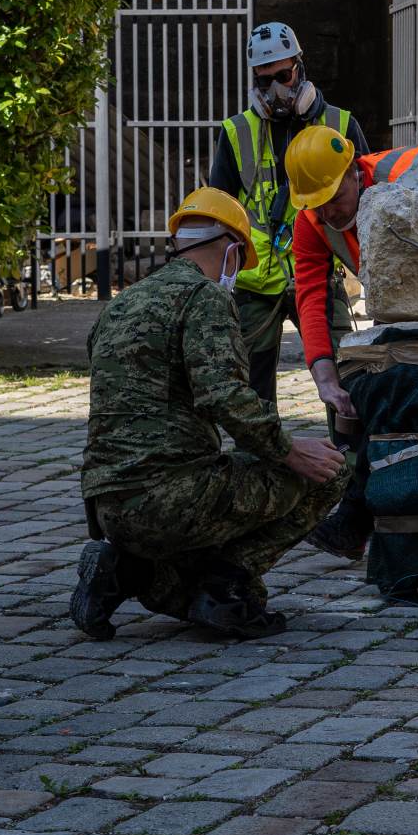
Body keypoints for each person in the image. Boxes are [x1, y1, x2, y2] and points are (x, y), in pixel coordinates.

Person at [69, 187, 350, 641]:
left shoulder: (121, 304)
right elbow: (224, 396)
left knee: (182, 596)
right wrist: (290, 451)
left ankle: (122, 569)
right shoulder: (205, 298)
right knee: (333, 472)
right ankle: (226, 586)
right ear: (232, 249)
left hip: (108, 507)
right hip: (169, 499)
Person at [280, 125, 418, 560]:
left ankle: (358, 515)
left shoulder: (404, 178)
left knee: (393, 395)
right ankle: (359, 514)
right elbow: (312, 293)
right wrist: (324, 373)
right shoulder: (311, 220)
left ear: (352, 173)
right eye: (316, 206)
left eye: (333, 200)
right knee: (358, 392)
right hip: (397, 308)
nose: (326, 214)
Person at [207, 22, 368, 409]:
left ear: (300, 67)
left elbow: (366, 197)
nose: (276, 89)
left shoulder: (340, 125)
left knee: (349, 375)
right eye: (264, 81)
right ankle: (263, 465)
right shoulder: (235, 132)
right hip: (255, 282)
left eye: (283, 75)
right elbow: (222, 212)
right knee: (251, 391)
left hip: (318, 269)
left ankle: (346, 460)